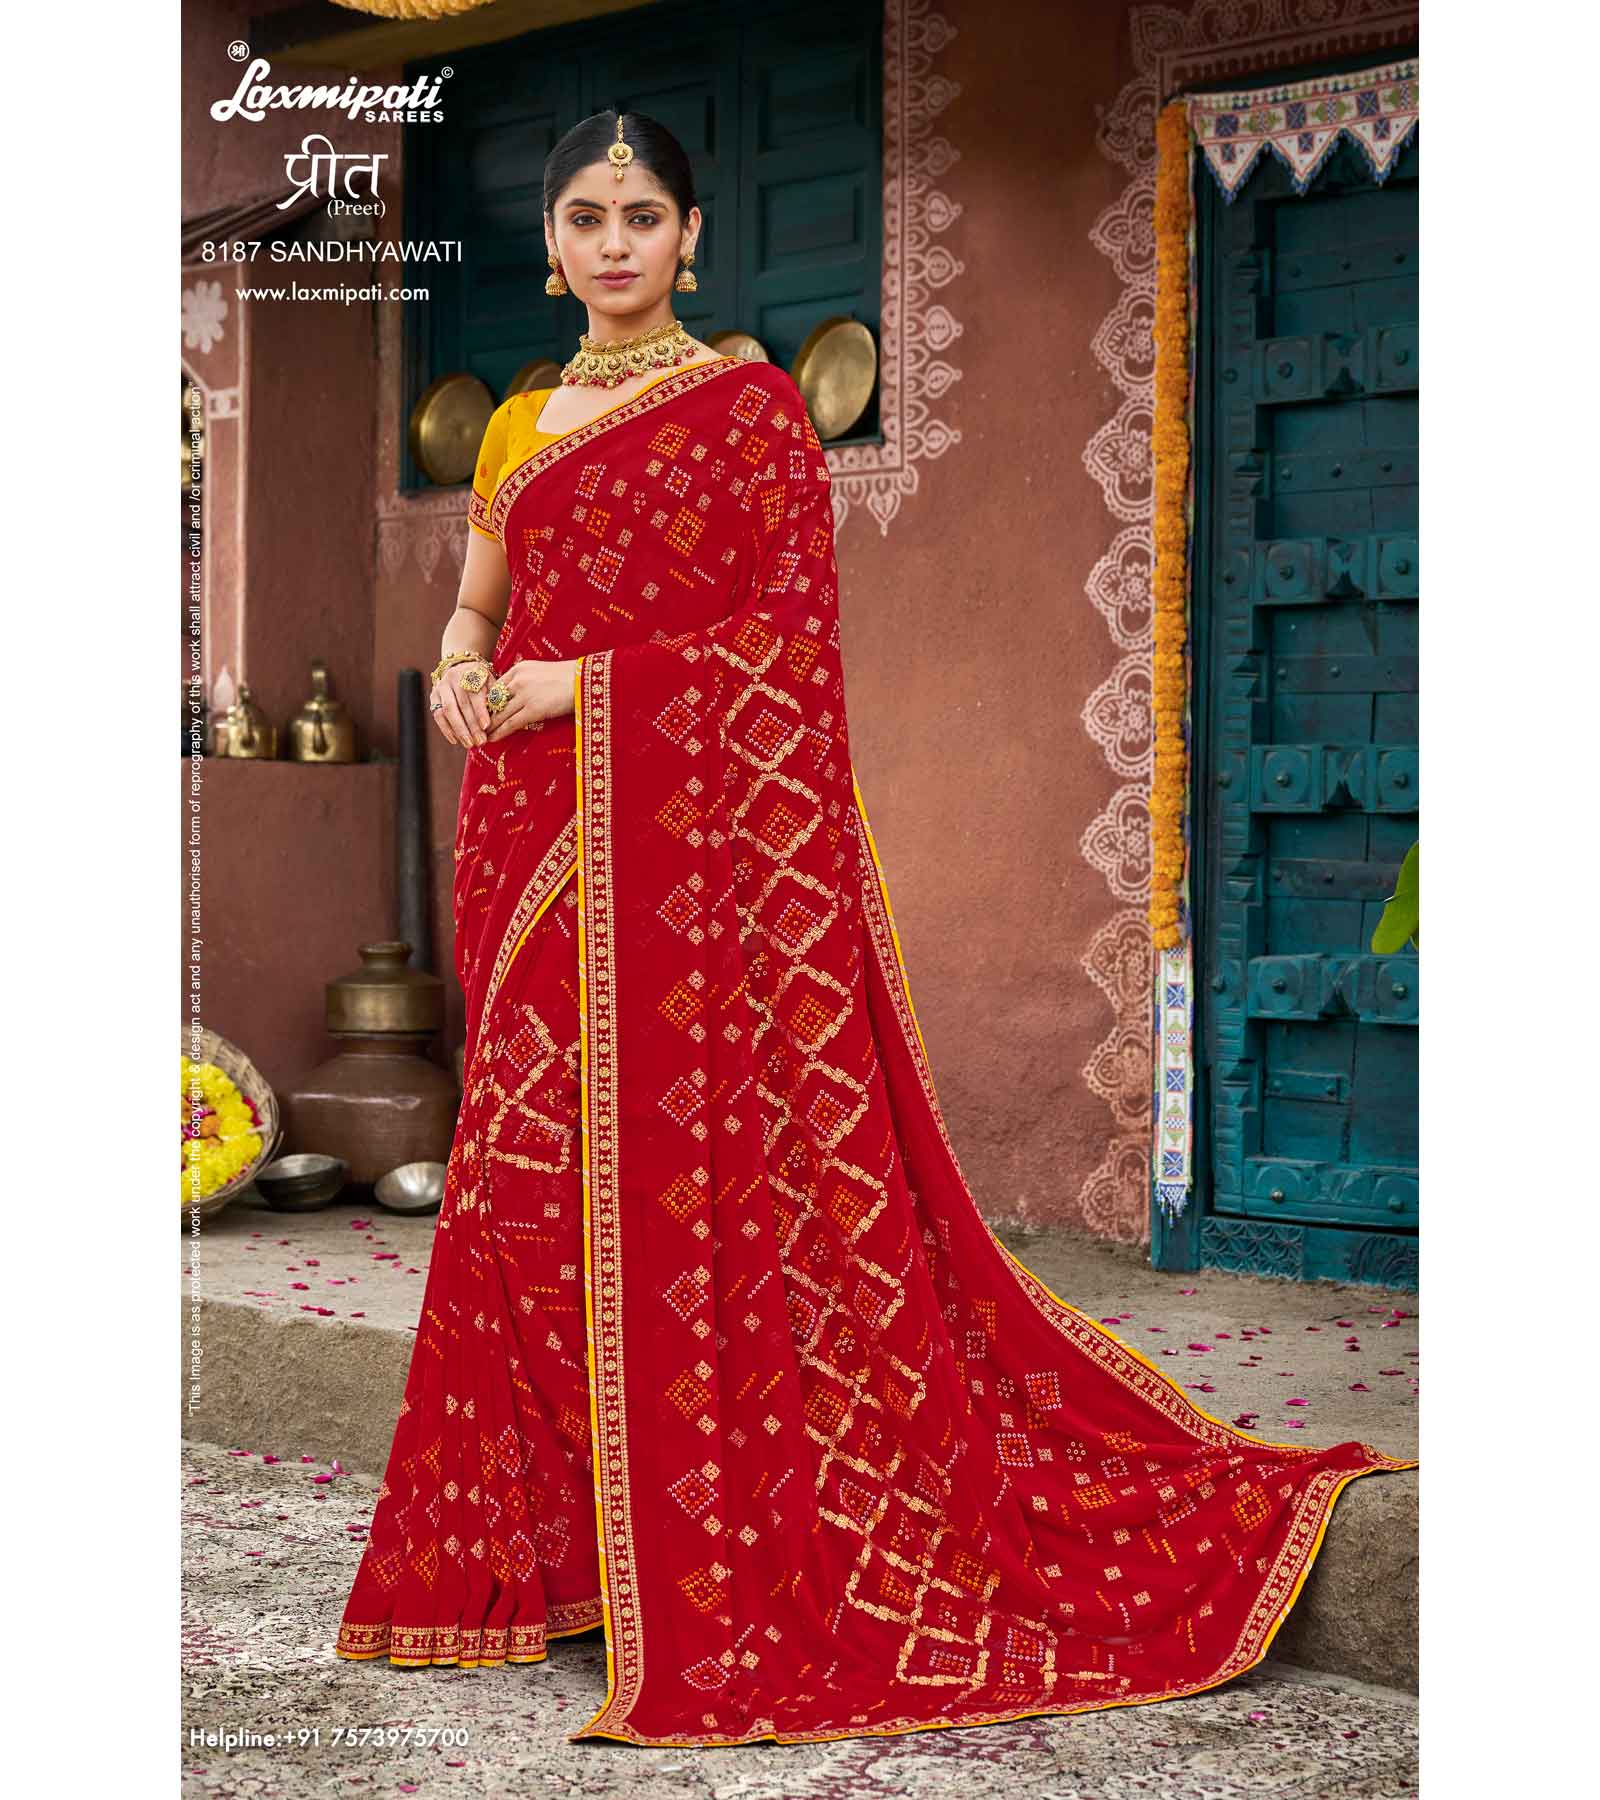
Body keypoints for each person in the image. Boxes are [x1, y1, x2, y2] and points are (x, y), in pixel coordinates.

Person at [336, 108, 1416, 1748]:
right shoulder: (518, 428)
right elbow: (478, 605)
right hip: (533, 844)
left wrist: (588, 686)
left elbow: (786, 646)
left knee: (680, 1181)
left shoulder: (752, 409)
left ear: (691, 236)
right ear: (548, 244)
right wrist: (471, 672)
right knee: (530, 1186)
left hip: (682, 861)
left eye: (642, 215)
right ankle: (573, 1557)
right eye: (585, 218)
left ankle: (697, 1543)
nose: (615, 243)